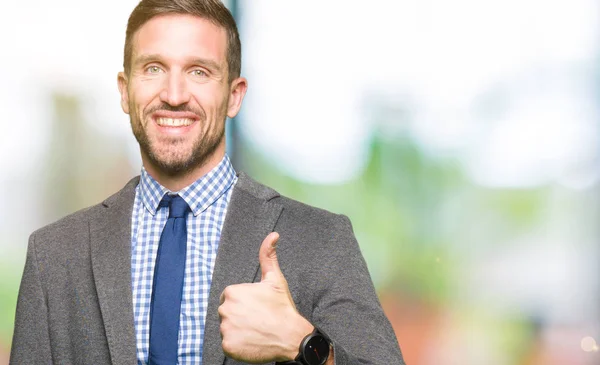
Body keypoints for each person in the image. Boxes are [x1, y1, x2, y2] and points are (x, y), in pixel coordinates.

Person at [10, 0, 405, 364]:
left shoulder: (320, 241)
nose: (175, 94)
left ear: (234, 96)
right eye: (153, 68)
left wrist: (302, 344)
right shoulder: (54, 256)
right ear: (125, 91)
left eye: (199, 71)